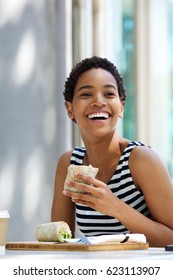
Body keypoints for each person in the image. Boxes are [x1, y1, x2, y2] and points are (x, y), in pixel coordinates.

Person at [51, 56, 173, 247]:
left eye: (109, 94)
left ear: (121, 107)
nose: (99, 102)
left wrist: (115, 207)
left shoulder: (140, 159)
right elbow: (58, 240)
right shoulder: (69, 163)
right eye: (86, 94)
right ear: (70, 109)